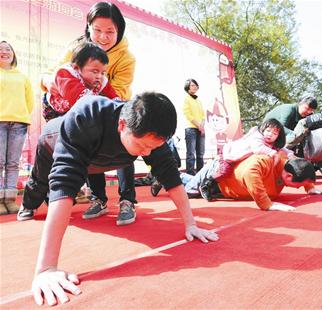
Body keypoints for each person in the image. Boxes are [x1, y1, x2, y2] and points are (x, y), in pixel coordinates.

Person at [18, 93, 218, 306]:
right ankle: (27, 206)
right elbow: (64, 185)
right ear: (122, 125)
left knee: (155, 159)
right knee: (40, 183)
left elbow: (171, 177)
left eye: (153, 147)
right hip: (53, 142)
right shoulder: (87, 115)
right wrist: (46, 268)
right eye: (142, 147)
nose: (148, 152)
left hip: (99, 158)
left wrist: (191, 224)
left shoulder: (149, 132)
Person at [40, 2, 137, 224]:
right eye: (97, 30)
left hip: (113, 107)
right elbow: (52, 72)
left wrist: (94, 96)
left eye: (110, 31)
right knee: (89, 145)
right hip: (81, 108)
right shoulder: (77, 48)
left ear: (119, 30)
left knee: (125, 142)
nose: (103, 37)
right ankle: (98, 198)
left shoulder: (126, 58)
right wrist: (49, 81)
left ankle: (127, 200)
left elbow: (119, 93)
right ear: (88, 27)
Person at [182, 155, 322, 211]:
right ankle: (167, 176)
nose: (300, 187)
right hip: (216, 177)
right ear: (289, 176)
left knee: (189, 183)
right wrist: (267, 204)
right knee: (189, 192)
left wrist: (310, 187)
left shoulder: (288, 164)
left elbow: (301, 165)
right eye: (301, 185)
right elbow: (249, 172)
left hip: (226, 188)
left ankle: (174, 177)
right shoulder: (268, 160)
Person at [198, 118, 294, 201]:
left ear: (278, 136)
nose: (270, 134)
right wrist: (273, 153)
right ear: (263, 129)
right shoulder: (257, 137)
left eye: (274, 133)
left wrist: (290, 155)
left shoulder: (272, 144)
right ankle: (206, 185)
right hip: (229, 154)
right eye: (268, 130)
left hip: (238, 158)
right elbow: (258, 148)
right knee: (225, 171)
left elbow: (284, 149)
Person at [42, 41, 119, 121]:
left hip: (75, 108)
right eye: (95, 72)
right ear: (77, 68)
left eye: (103, 72)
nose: (99, 76)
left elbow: (114, 98)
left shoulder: (101, 79)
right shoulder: (65, 74)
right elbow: (82, 100)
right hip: (55, 111)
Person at [0, 41, 34, 215]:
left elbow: (29, 101)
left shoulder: (22, 76)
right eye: (0, 49)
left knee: (13, 164)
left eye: (8, 49)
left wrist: (21, 117)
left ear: (13, 54)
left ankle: (10, 200)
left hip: (18, 124)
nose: (4, 52)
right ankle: (0, 201)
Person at [183, 78, 205, 175]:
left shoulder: (199, 100)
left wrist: (202, 126)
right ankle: (190, 176)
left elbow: (203, 115)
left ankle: (200, 175)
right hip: (191, 129)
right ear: (188, 87)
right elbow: (188, 115)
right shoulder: (186, 99)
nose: (195, 87)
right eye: (192, 85)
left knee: (200, 154)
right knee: (191, 154)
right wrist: (199, 125)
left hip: (201, 129)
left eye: (196, 85)